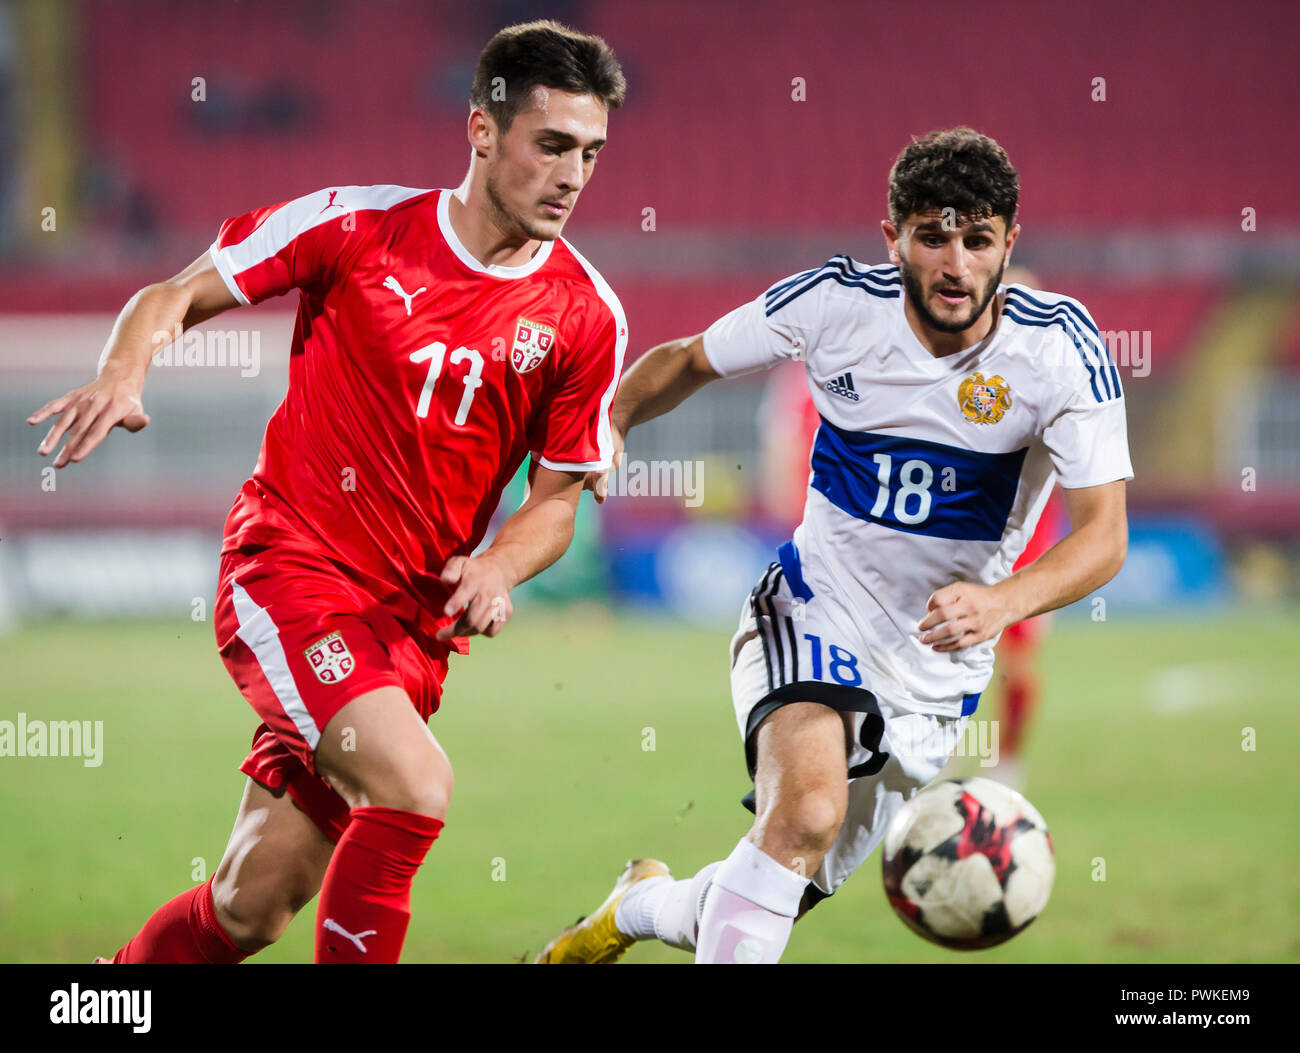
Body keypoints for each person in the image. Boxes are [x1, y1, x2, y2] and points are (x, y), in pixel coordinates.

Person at [29, 19, 627, 964]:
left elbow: (558, 497)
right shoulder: (357, 226)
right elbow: (178, 293)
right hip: (290, 568)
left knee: (247, 905)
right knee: (414, 785)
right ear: (482, 131)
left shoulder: (586, 314)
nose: (572, 175)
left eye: (590, 152)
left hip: (409, 629)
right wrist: (124, 370)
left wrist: (501, 565)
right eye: (551, 144)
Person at [543, 127, 1131, 964]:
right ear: (893, 238)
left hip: (933, 681)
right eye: (932, 236)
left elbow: (1105, 536)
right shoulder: (833, 304)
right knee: (807, 814)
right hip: (814, 608)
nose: (955, 264)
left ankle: (636, 905)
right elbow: (688, 359)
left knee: (770, 883)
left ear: (1011, 241)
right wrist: (609, 420)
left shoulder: (1058, 349)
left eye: (977, 239)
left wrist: (1003, 600)